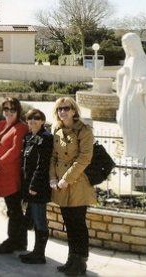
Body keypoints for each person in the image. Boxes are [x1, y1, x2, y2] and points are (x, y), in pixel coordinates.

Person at [51, 97, 95, 276]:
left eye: (66, 108)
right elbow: (53, 157)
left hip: (77, 183)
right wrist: (53, 178)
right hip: (61, 183)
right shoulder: (57, 130)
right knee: (68, 223)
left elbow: (85, 158)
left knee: (78, 223)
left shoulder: (84, 131)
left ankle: (81, 262)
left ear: (74, 110)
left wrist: (66, 179)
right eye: (60, 109)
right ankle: (71, 259)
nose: (63, 111)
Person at [0, 97, 29, 254]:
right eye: (6, 110)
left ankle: (13, 241)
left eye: (12, 110)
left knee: (14, 210)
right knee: (14, 209)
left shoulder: (21, 128)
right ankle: (21, 242)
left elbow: (15, 150)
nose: (9, 113)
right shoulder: (0, 124)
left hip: (11, 175)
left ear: (18, 111)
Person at [116, 32, 146, 162]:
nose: (126, 47)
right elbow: (122, 78)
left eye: (128, 44)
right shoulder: (128, 60)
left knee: (139, 128)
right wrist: (121, 74)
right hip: (126, 100)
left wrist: (143, 81)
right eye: (124, 44)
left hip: (139, 103)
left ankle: (142, 156)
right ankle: (129, 153)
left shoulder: (145, 61)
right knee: (125, 124)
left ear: (135, 44)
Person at [19, 109, 53, 264]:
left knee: (39, 219)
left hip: (38, 186)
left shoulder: (46, 138)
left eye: (37, 118)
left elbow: (43, 164)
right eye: (30, 118)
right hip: (29, 185)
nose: (33, 120)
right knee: (33, 217)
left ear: (42, 121)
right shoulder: (29, 137)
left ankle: (40, 254)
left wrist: (34, 185)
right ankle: (35, 252)